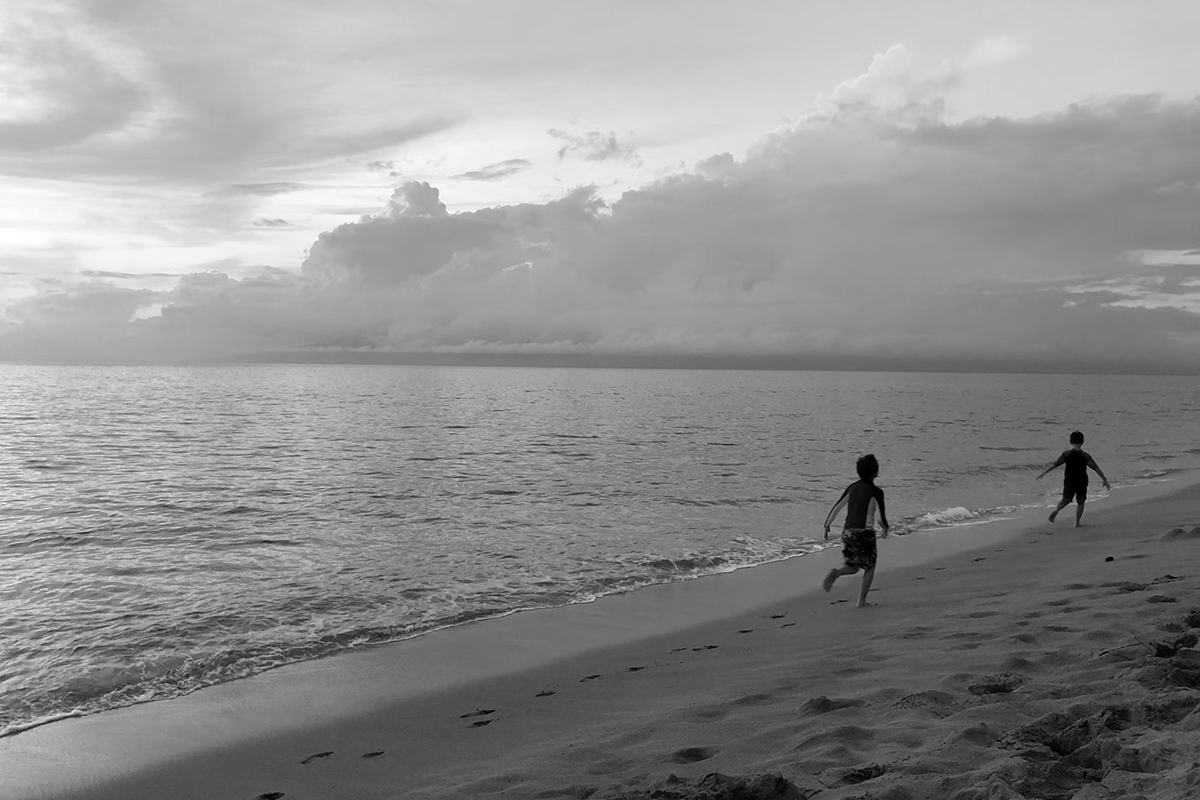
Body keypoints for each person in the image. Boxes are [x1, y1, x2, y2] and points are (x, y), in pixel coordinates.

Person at [822, 453, 890, 608]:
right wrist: (885, 528)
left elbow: (837, 506)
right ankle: (862, 601)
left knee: (854, 567)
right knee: (870, 566)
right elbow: (880, 518)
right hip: (864, 532)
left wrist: (827, 525)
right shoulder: (876, 491)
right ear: (876, 472)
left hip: (848, 532)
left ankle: (837, 572)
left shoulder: (852, 488)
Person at [1036, 430, 1110, 527]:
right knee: (1081, 501)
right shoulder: (1085, 456)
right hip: (1082, 481)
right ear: (1082, 442)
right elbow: (1096, 468)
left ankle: (1057, 510)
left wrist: (1043, 473)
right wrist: (1104, 479)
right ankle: (1077, 522)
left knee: (1066, 499)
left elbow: (1055, 464)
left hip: (1069, 481)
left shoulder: (1066, 454)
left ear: (1071, 442)